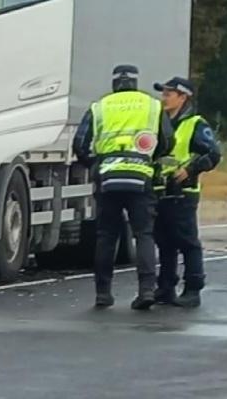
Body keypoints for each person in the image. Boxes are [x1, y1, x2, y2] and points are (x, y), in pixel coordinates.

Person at [73, 64, 174, 311]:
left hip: (108, 178)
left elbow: (80, 143)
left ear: (115, 83)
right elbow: (168, 140)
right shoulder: (151, 105)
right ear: (135, 82)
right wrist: (149, 157)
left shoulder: (100, 107)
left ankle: (103, 293)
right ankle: (147, 290)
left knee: (107, 235)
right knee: (143, 234)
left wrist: (96, 165)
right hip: (141, 177)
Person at [152, 77, 221, 308]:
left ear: (183, 97)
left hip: (183, 192)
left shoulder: (195, 124)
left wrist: (189, 170)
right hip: (161, 190)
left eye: (169, 94)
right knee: (164, 242)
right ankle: (166, 287)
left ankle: (193, 289)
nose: (164, 98)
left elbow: (212, 155)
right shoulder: (160, 123)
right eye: (164, 93)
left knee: (187, 242)